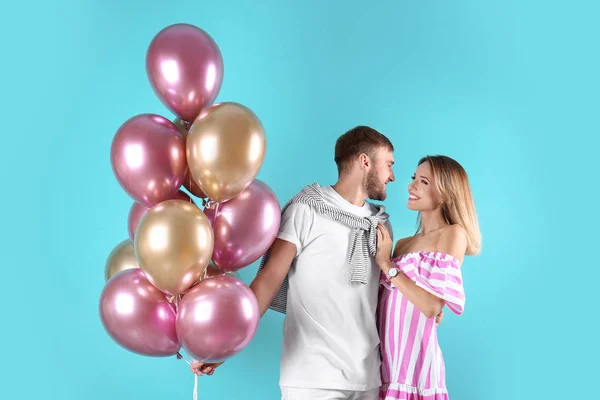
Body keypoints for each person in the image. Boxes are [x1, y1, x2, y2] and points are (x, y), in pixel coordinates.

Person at [191, 125, 406, 399]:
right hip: (311, 378)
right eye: (389, 164)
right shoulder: (306, 209)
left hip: (367, 378)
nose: (393, 176)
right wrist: (226, 348)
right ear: (365, 161)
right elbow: (268, 282)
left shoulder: (380, 223)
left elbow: (385, 300)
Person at [374, 155, 482, 400]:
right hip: (385, 366)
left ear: (445, 192)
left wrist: (386, 264)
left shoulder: (453, 234)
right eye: (414, 178)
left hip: (416, 369)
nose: (411, 186)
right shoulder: (401, 244)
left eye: (423, 182)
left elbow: (432, 306)